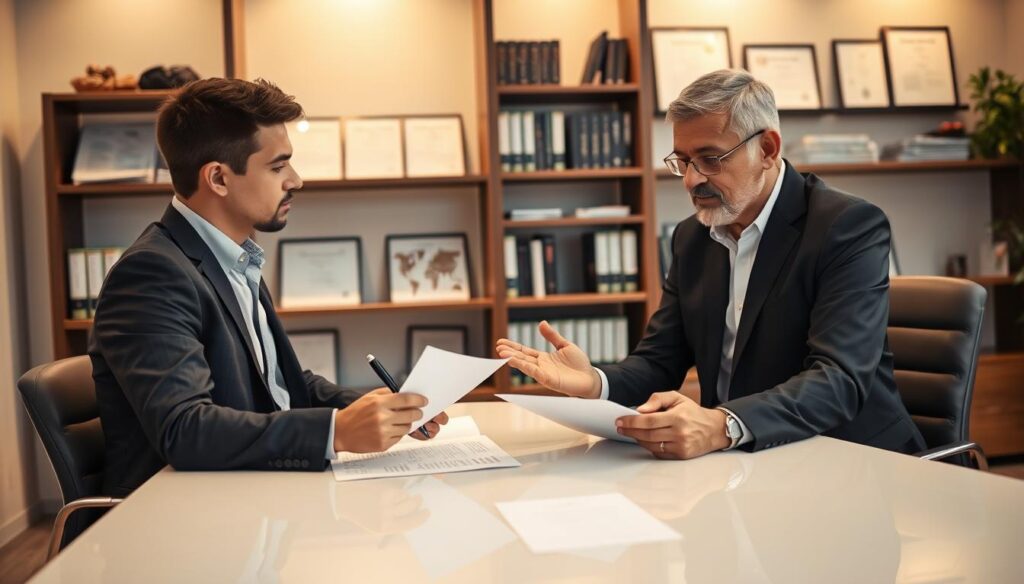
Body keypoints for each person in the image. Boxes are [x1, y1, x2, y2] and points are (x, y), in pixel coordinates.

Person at [496, 69, 924, 461]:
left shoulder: (846, 226)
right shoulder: (692, 237)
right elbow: (660, 361)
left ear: (768, 149)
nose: (691, 179)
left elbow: (838, 380)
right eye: (682, 160)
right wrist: (595, 382)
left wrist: (722, 423)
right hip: (746, 459)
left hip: (849, 459)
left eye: (710, 159)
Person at [90, 78, 446, 497]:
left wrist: (373, 409)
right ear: (218, 179)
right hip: (186, 520)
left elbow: (278, 382)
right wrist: (335, 431)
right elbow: (185, 430)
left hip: (249, 494)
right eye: (278, 167)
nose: (296, 180)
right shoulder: (152, 274)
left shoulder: (235, 259)